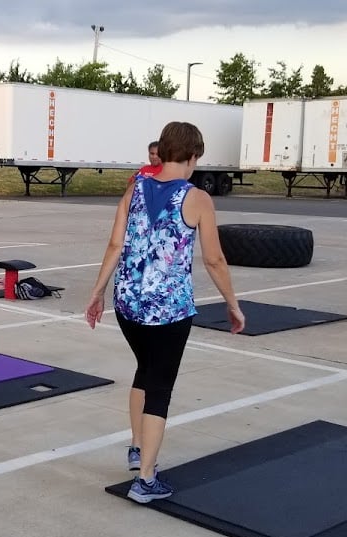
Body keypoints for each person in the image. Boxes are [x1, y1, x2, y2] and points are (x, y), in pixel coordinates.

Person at [85, 121, 245, 504]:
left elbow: (114, 244)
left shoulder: (134, 188)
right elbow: (214, 259)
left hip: (128, 304)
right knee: (160, 387)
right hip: (169, 311)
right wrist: (233, 304)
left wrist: (97, 292)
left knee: (145, 370)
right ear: (191, 156)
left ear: (164, 150)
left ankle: (138, 448)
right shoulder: (198, 198)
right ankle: (145, 480)